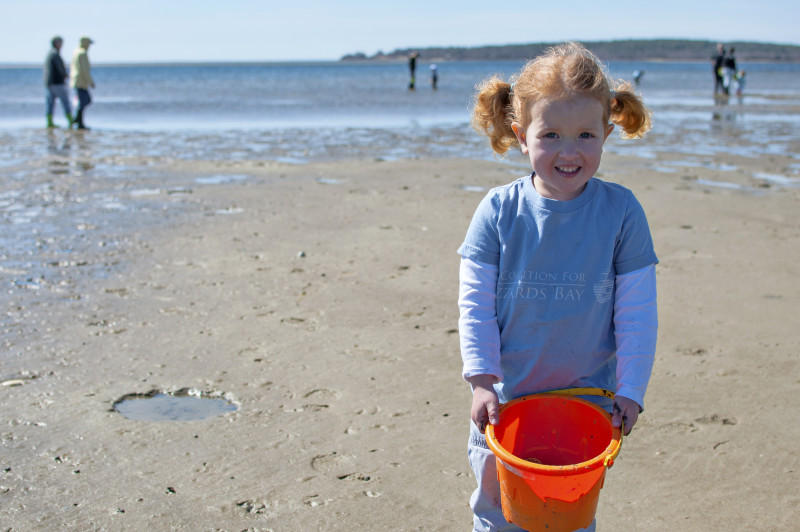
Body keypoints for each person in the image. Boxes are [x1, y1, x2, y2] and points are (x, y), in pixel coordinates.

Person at [459, 42, 658, 532]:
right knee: (499, 512)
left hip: (587, 404)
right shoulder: (498, 211)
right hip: (506, 402)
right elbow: (475, 304)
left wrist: (631, 389)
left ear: (608, 133)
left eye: (586, 134)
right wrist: (482, 379)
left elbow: (637, 312)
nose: (570, 151)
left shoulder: (622, 212)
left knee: (568, 513)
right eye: (551, 134)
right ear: (521, 136)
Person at [44, 36, 73, 128]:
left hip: (49, 83)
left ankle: (49, 122)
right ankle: (70, 120)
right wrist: (65, 75)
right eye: (61, 43)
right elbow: (60, 68)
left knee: (50, 103)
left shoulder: (49, 54)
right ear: (56, 43)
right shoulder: (55, 54)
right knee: (65, 101)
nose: (62, 45)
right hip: (57, 83)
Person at [70, 36, 95, 130]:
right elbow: (84, 70)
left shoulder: (76, 51)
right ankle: (78, 121)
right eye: (89, 43)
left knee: (83, 101)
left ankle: (78, 120)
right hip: (81, 81)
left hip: (75, 80)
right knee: (85, 100)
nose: (89, 46)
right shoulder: (82, 53)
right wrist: (91, 82)